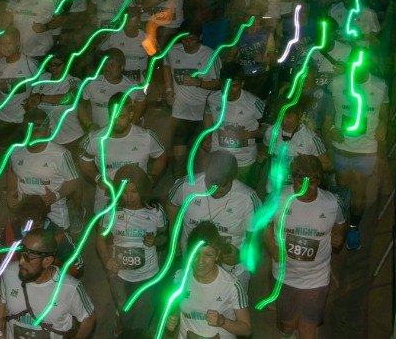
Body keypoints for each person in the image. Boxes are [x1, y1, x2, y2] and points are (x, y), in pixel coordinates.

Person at [265, 154, 347, 339]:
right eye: (299, 180)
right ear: (292, 178)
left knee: (308, 330)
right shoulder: (277, 198)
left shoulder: (331, 203)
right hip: (284, 276)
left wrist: (339, 235)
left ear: (319, 181)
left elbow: (340, 224)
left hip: (315, 279)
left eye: (311, 182)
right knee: (287, 325)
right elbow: (265, 225)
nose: (304, 187)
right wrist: (273, 247)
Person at [323, 52, 387, 253]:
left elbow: (384, 115)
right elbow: (328, 115)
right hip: (341, 148)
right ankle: (337, 225)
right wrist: (331, 132)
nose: (358, 68)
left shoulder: (380, 86)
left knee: (359, 192)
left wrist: (384, 126)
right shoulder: (336, 84)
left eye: (362, 64)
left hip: (366, 150)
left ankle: (353, 227)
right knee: (342, 189)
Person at [95, 165, 166, 338]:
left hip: (147, 274)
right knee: (124, 310)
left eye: (134, 191)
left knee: (140, 322)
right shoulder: (111, 210)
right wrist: (106, 260)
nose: (129, 197)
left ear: (143, 189)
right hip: (119, 275)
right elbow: (100, 239)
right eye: (125, 192)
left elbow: (165, 237)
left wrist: (156, 240)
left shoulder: (155, 211)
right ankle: (122, 321)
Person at [167, 152, 259, 285]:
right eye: (211, 184)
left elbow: (256, 236)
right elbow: (171, 204)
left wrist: (241, 255)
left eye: (222, 186)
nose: (215, 190)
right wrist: (174, 235)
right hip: (193, 265)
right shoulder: (186, 186)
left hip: (232, 272)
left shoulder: (247, 198)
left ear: (233, 178)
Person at [0, 229, 96, 339]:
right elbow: (2, 303)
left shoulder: (70, 287)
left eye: (28, 257)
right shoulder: (9, 272)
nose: (21, 262)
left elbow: (89, 318)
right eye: (20, 254)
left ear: (47, 261)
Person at [79, 94, 167, 211]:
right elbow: (83, 160)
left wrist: (152, 177)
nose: (116, 121)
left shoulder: (146, 137)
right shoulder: (95, 138)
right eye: (113, 116)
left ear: (131, 115)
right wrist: (97, 177)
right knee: (102, 223)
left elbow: (161, 156)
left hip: (137, 196)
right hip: (107, 195)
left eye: (121, 116)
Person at [167, 223, 250, 339]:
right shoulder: (179, 278)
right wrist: (172, 319)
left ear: (217, 255)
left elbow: (246, 329)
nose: (200, 261)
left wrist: (222, 321)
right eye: (196, 253)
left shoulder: (232, 285)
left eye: (208, 254)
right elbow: (175, 308)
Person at [6, 109, 81, 231]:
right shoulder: (15, 151)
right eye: (28, 130)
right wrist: (10, 191)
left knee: (55, 242)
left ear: (48, 131)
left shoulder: (60, 154)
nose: (32, 135)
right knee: (27, 240)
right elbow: (12, 173)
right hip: (27, 213)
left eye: (37, 130)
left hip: (54, 215)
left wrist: (55, 196)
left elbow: (74, 181)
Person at [164, 30, 220, 170]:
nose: (187, 43)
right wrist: (168, 90)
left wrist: (198, 82)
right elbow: (166, 67)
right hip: (180, 113)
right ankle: (178, 181)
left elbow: (218, 84)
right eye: (184, 39)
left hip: (203, 115)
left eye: (192, 39)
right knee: (178, 158)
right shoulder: (172, 50)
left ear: (200, 37)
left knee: (201, 158)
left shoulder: (210, 55)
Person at [203, 64, 266, 183]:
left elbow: (267, 129)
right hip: (218, 156)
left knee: (242, 191)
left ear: (242, 84)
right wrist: (207, 136)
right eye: (225, 85)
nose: (229, 90)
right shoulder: (212, 98)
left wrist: (248, 135)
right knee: (217, 188)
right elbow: (208, 114)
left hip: (243, 160)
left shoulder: (254, 103)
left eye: (234, 86)